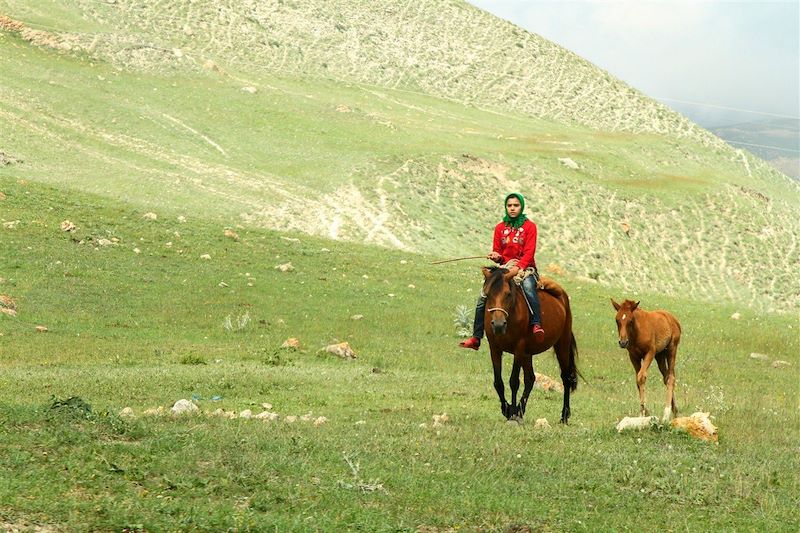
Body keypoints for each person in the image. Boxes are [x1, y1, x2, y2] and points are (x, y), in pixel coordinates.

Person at [459, 192, 544, 350]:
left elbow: (529, 252)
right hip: (504, 268)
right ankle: (476, 337)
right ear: (506, 207)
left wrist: (518, 268)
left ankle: (536, 324)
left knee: (528, 288)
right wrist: (496, 256)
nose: (512, 208)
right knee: (483, 295)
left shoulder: (529, 227)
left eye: (516, 205)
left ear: (521, 207)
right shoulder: (500, 228)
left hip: (525, 268)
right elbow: (498, 252)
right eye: (509, 205)